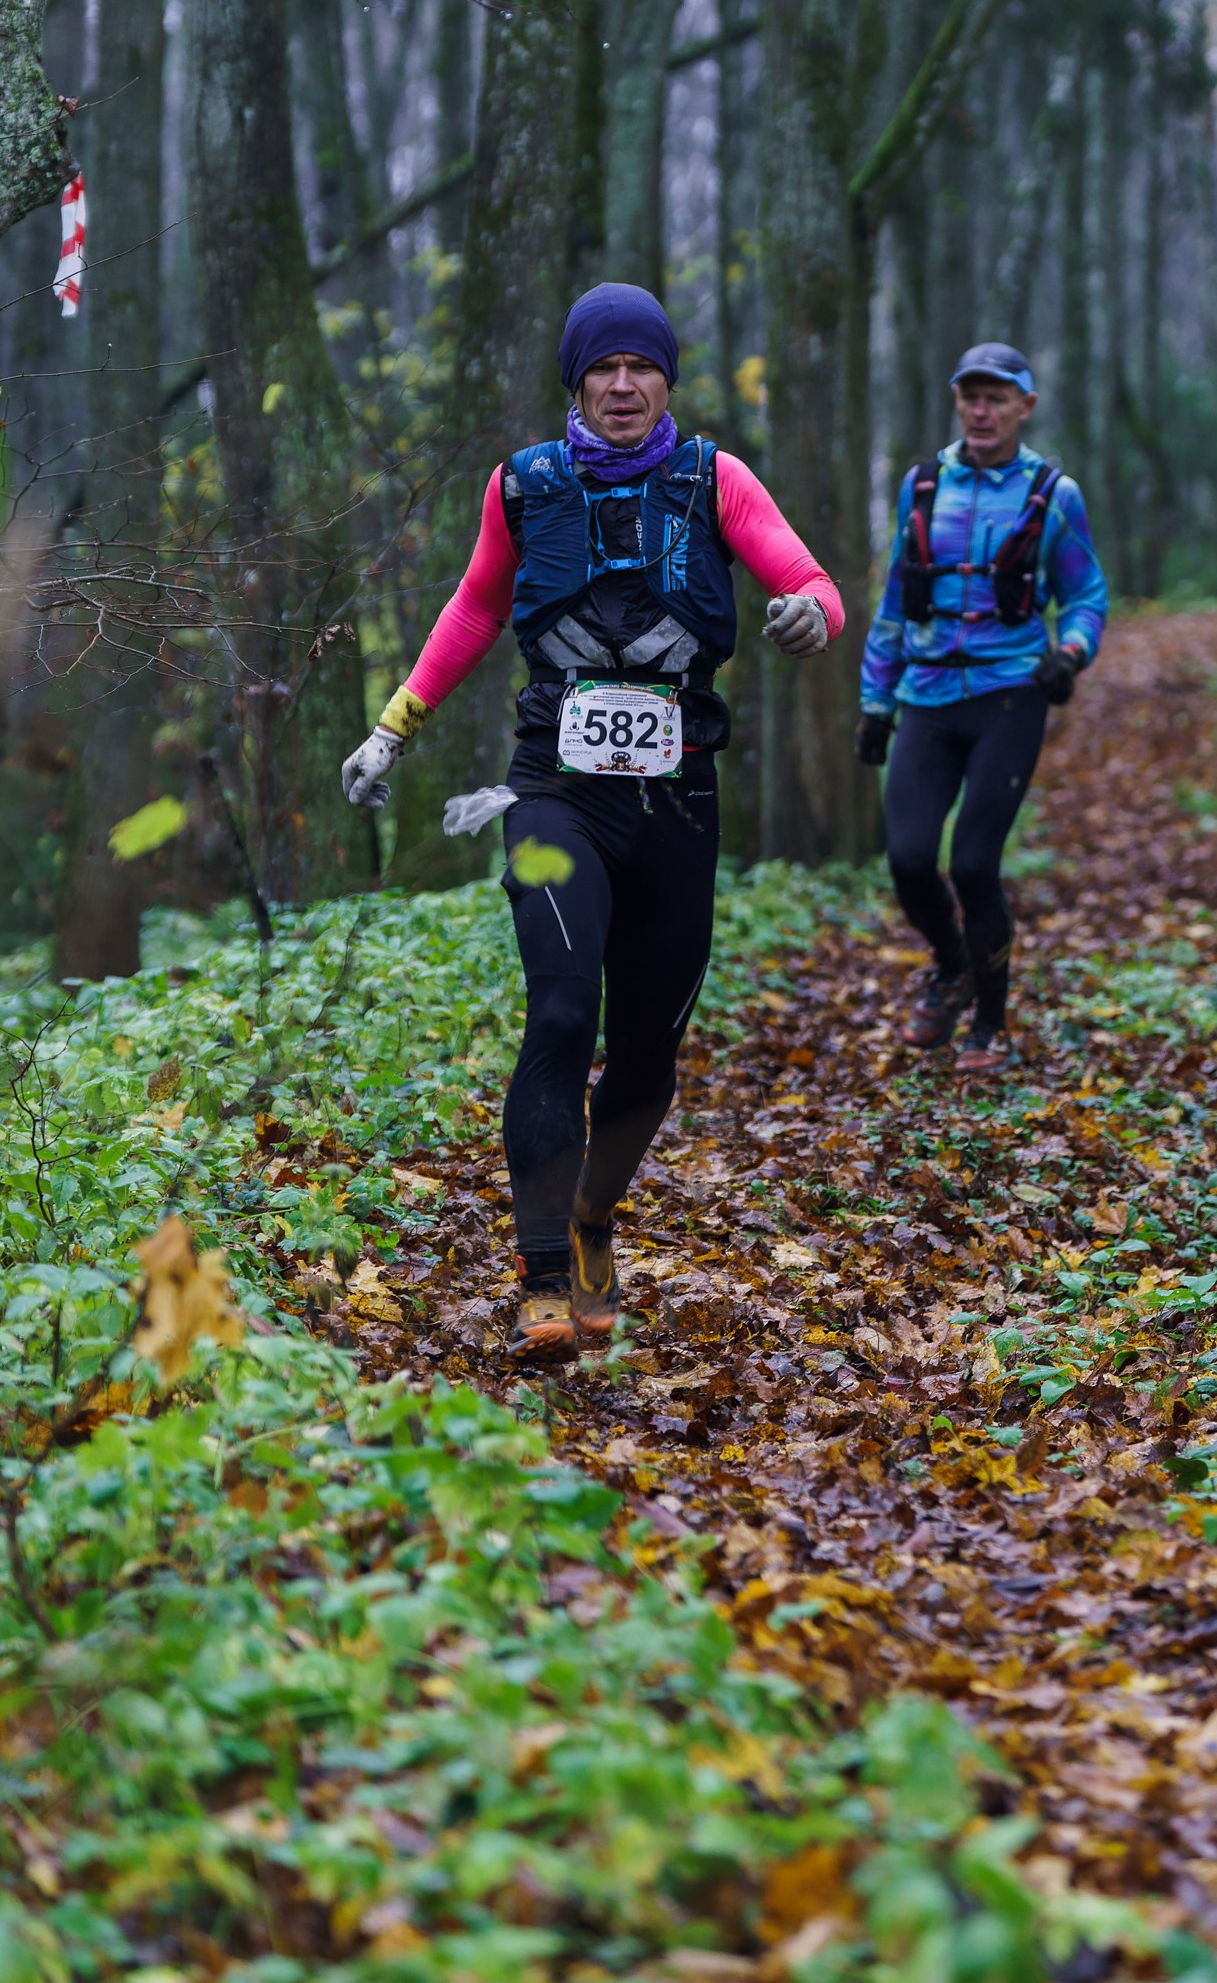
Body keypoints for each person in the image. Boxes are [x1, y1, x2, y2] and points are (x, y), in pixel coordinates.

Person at [341, 283, 842, 1354]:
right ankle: (535, 1281)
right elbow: (476, 604)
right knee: (561, 1016)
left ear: (666, 378)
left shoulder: (716, 481)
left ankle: (590, 1219)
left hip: (676, 799)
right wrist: (394, 727)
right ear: (577, 382)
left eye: (640, 367)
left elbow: (804, 576)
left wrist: (810, 612)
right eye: (601, 370)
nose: (622, 386)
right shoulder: (523, 487)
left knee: (648, 1056)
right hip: (553, 794)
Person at [857, 342, 1107, 1069]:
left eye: (998, 396)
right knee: (907, 858)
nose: (981, 408)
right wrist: (875, 703)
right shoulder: (923, 485)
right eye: (971, 394)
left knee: (972, 864)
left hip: (1008, 698)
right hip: (926, 697)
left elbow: (1086, 596)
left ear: (1025, 406)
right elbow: (897, 602)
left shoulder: (1054, 495)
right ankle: (953, 963)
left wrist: (1071, 654)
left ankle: (990, 1025)